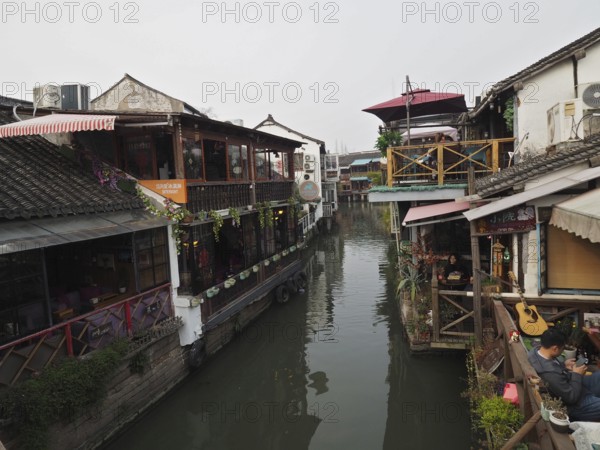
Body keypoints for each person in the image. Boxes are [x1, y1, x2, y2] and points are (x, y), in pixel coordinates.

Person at [528, 328, 600, 421]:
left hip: (574, 384)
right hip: (575, 403)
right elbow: (571, 398)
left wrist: (563, 366)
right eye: (562, 349)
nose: (562, 351)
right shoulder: (549, 374)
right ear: (555, 348)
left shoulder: (539, 351)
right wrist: (577, 374)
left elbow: (555, 371)